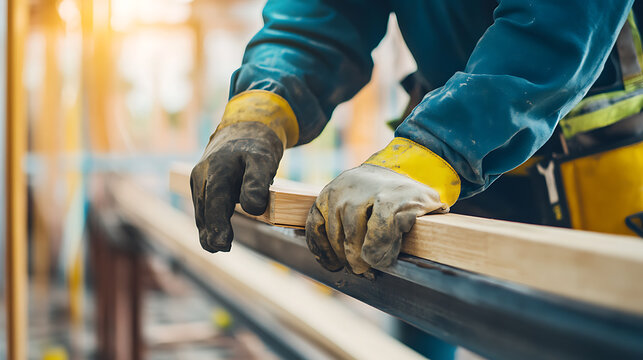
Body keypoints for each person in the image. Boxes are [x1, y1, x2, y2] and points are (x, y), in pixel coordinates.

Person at [191, 2, 643, 357]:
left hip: (605, 157)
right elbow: (320, 13)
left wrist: (437, 148)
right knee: (421, 306)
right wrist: (260, 108)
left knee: (608, 331)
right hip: (452, 148)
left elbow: (556, 22)